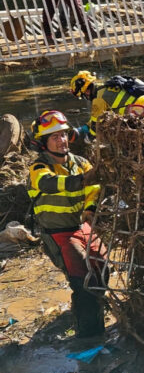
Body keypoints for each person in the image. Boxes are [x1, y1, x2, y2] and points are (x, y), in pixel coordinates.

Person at [27, 111, 108, 338]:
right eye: (54, 137)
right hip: (57, 233)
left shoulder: (80, 163)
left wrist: (91, 209)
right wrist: (82, 179)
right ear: (43, 143)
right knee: (83, 280)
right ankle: (89, 337)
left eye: (63, 135)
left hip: (82, 227)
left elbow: (94, 189)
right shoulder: (38, 169)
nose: (61, 141)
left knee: (103, 269)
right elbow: (50, 184)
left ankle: (94, 317)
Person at [69, 71, 144, 141]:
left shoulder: (98, 99)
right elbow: (96, 117)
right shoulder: (106, 88)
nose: (86, 97)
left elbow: (96, 124)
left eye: (84, 96)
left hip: (142, 112)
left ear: (86, 91)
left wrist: (89, 138)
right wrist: (83, 129)